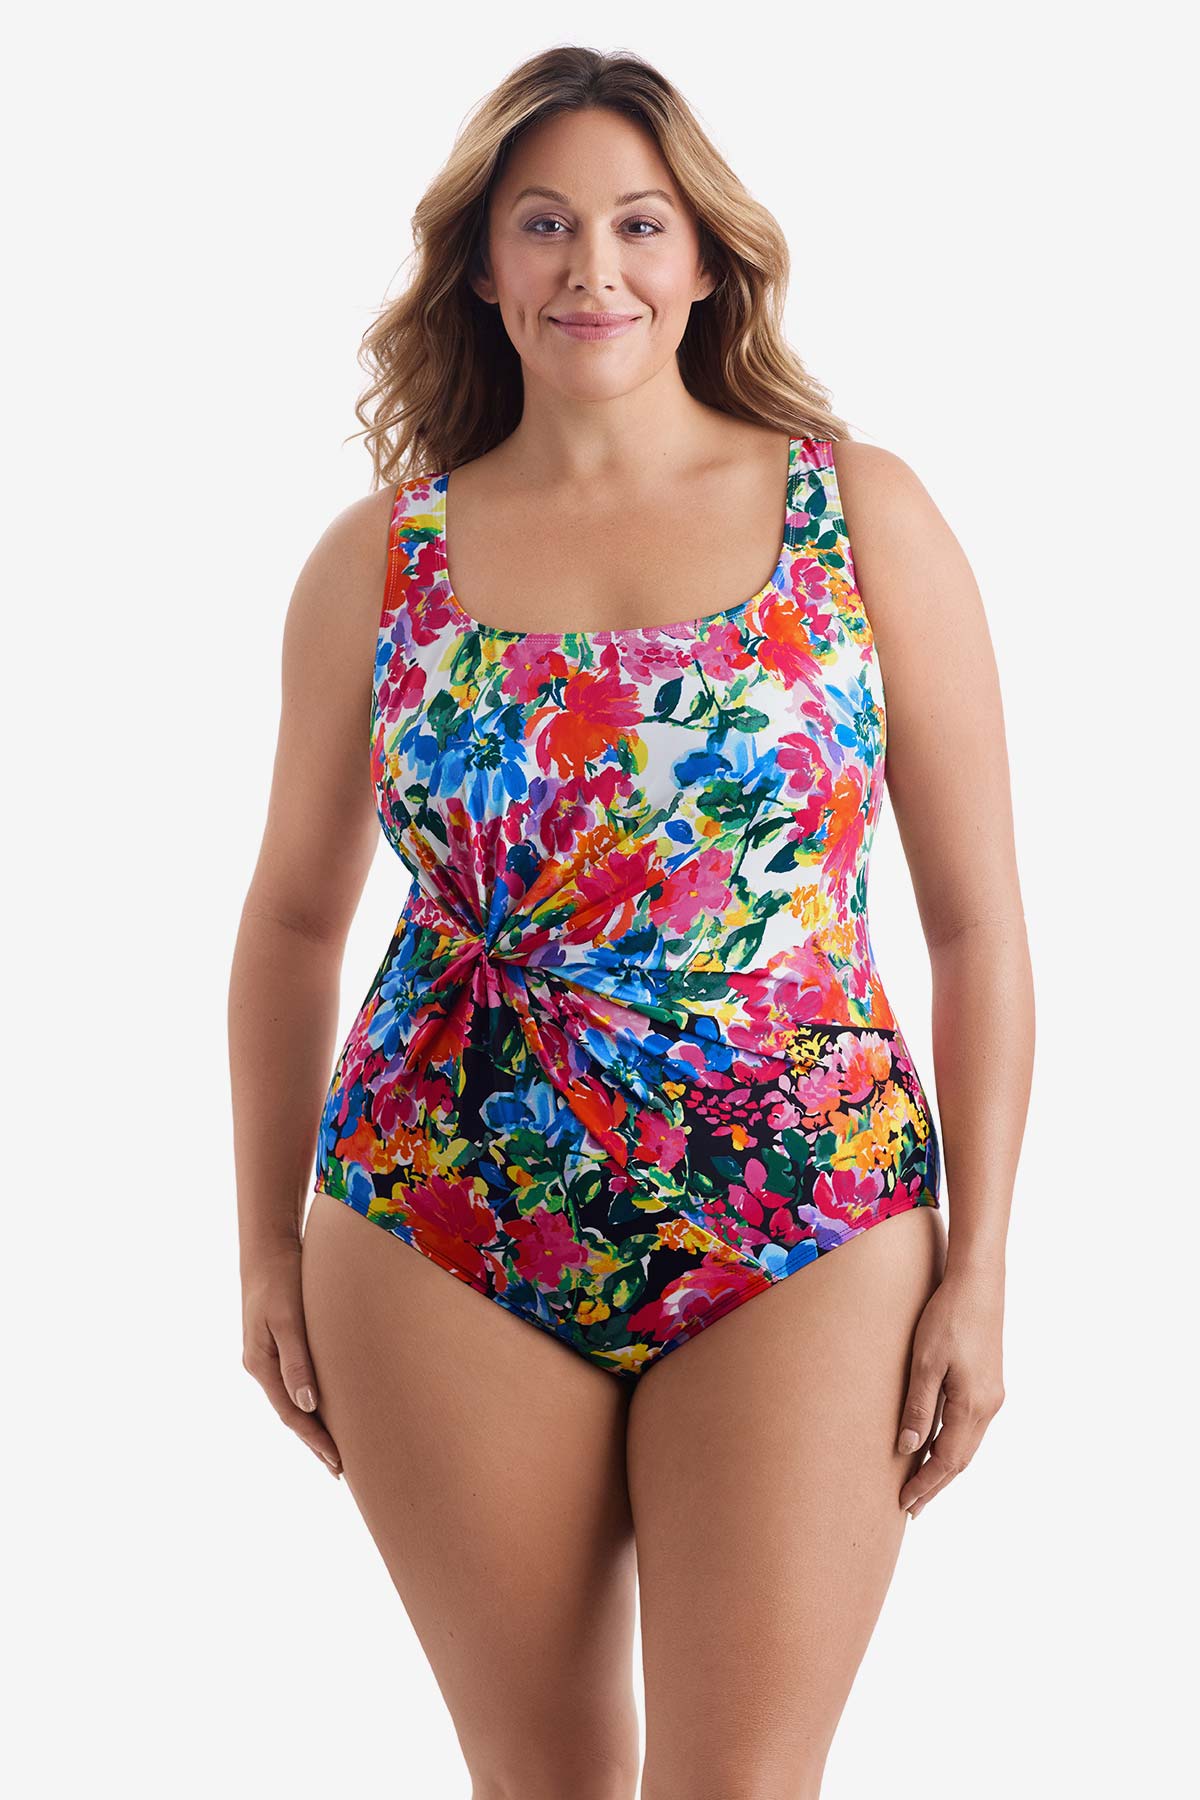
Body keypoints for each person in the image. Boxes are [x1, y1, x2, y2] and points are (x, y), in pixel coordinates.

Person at [228, 45, 1034, 1800]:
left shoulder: (857, 514)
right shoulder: (381, 561)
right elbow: (291, 920)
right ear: (482, 266)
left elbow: (978, 925)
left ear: (705, 257)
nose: (592, 267)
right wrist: (262, 1247)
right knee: (544, 1783)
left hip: (804, 1209)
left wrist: (980, 1266)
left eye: (638, 222)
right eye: (545, 224)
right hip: (440, 1213)